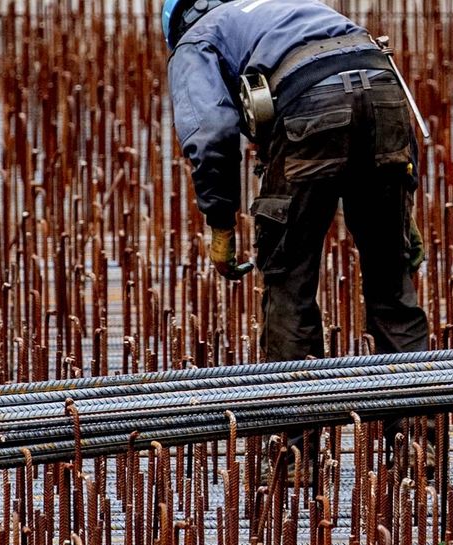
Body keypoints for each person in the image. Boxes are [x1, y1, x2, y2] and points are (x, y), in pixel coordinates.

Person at [163, 0, 431, 473]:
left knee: (289, 284)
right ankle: (416, 445)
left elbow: (209, 135)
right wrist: (401, 211)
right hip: (385, 96)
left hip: (311, 109)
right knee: (393, 285)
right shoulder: (292, 9)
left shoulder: (199, 37)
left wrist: (220, 224)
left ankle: (295, 451)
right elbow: (374, 91)